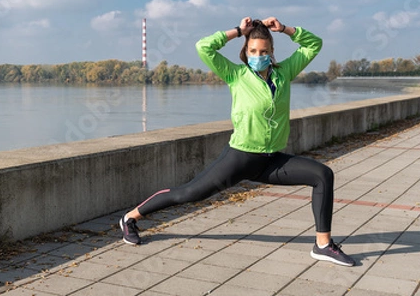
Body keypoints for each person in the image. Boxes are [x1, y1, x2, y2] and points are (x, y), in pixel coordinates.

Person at [119, 16, 355, 267]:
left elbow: (313, 44)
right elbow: (203, 47)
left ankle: (323, 245)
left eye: (264, 51)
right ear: (246, 50)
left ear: (271, 51)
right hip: (240, 157)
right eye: (253, 50)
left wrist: (285, 29)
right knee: (189, 193)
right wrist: (237, 30)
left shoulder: (284, 73)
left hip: (272, 160)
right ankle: (130, 218)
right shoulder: (236, 74)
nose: (258, 55)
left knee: (322, 175)